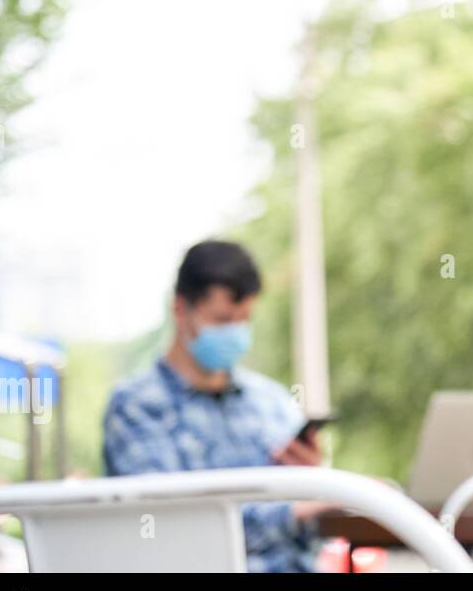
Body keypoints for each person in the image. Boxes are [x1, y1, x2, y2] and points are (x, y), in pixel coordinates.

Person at [103, 239, 327, 572]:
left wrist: (312, 481)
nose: (235, 332)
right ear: (180, 310)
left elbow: (312, 530)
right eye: (222, 320)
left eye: (244, 319)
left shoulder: (273, 402)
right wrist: (294, 510)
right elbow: (169, 528)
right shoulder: (135, 408)